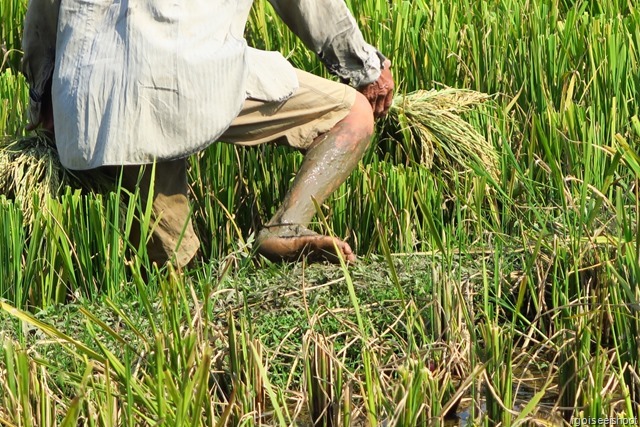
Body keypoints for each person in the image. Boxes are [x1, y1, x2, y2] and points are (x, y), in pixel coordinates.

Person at [21, 0, 394, 267]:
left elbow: (44, 11)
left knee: (172, 266)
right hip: (195, 75)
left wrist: (44, 88)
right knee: (352, 116)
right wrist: (364, 67)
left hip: (99, 97)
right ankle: (285, 225)